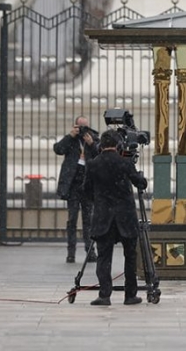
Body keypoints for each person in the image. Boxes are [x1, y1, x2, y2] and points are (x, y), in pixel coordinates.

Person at [82, 130, 148, 306]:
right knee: (130, 256)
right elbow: (140, 183)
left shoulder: (93, 164)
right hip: (125, 216)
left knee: (104, 257)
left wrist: (100, 201)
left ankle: (104, 295)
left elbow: (86, 190)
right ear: (118, 145)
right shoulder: (124, 162)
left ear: (100, 145)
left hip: (103, 217)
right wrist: (141, 178)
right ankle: (130, 295)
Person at [53, 115, 100, 263]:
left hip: (87, 186)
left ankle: (90, 251)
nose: (82, 130)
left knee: (89, 221)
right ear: (75, 126)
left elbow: (101, 155)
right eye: (79, 127)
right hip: (73, 186)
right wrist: (69, 136)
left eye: (84, 126)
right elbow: (58, 149)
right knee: (72, 220)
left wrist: (91, 143)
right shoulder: (71, 140)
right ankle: (71, 253)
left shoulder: (94, 139)